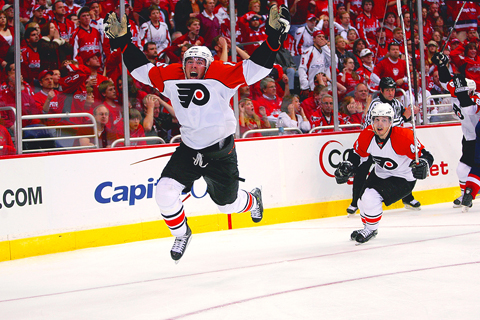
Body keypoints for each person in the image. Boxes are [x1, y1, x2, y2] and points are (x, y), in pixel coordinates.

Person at [103, 4, 291, 262]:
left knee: (227, 206)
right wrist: (124, 43)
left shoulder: (221, 75)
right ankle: (181, 233)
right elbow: (141, 71)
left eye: (199, 61)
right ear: (183, 63)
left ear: (208, 64)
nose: (194, 65)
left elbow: (255, 69)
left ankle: (252, 199)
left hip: (220, 152)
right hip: (190, 149)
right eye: (189, 61)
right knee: (164, 193)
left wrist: (272, 40)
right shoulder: (171, 76)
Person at [334, 103, 434, 244]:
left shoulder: (404, 137)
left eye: (384, 120)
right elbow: (356, 154)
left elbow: (426, 156)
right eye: (376, 120)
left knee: (370, 197)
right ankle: (368, 227)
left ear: (391, 122)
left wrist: (424, 164)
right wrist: (349, 165)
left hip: (403, 178)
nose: (379, 124)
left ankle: (370, 228)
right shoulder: (367, 135)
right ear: (372, 121)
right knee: (362, 200)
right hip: (381, 173)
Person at [347, 77, 420, 216]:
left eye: (392, 90)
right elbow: (374, 126)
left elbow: (401, 119)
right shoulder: (376, 104)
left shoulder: (396, 104)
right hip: (371, 141)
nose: (391, 93)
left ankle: (407, 197)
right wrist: (404, 117)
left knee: (401, 167)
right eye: (387, 90)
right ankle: (355, 202)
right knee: (362, 170)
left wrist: (411, 113)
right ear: (381, 91)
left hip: (389, 142)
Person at [432, 52, 480, 210]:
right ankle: (464, 193)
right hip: (467, 137)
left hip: (476, 139)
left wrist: (462, 93)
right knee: (462, 169)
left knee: (467, 168)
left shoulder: (475, 97)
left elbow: (469, 110)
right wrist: (441, 63)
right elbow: (446, 80)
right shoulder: (457, 92)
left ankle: (468, 192)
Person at [298, 30, 331, 96]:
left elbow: (334, 62)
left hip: (326, 87)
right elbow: (302, 68)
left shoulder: (327, 51)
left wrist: (325, 46)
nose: (321, 38)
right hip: (312, 88)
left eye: (323, 37)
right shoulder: (308, 51)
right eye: (319, 36)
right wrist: (305, 86)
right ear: (314, 39)